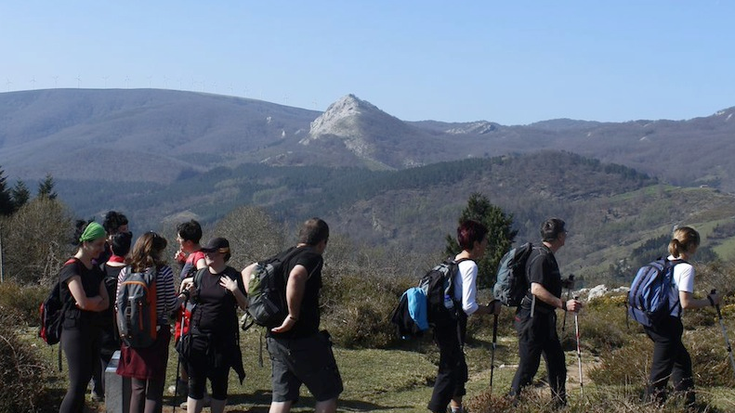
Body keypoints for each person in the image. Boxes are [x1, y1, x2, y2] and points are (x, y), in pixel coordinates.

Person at [242, 218, 343, 413]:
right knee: (327, 393)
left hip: (275, 339)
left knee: (282, 398)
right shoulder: (312, 257)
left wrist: (256, 306)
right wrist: (293, 315)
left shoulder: (283, 255)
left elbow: (247, 271)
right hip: (303, 338)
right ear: (323, 242)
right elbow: (297, 276)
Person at [428, 220, 502, 413]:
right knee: (450, 369)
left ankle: (456, 408)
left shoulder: (453, 261)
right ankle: (438, 409)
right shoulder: (470, 266)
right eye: (485, 240)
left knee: (457, 366)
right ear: (476, 244)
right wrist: (489, 309)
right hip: (453, 325)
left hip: (441, 323)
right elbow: (468, 306)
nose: (487, 244)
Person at [509, 218, 582, 407]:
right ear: (558, 236)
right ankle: (512, 405)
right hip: (532, 320)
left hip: (542, 319)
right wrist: (563, 304)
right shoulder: (542, 257)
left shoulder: (544, 255)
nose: (566, 234)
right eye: (564, 232)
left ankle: (559, 403)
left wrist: (562, 283)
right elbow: (536, 289)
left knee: (557, 361)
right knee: (528, 367)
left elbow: (542, 282)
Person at [116, 232, 191, 413]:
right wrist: (185, 295)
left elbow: (117, 305)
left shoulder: (125, 272)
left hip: (131, 333)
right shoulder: (162, 272)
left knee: (137, 388)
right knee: (155, 388)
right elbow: (170, 305)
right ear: (157, 251)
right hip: (156, 332)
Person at [645, 226, 719, 406]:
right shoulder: (685, 268)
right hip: (668, 324)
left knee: (682, 362)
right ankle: (651, 406)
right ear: (692, 245)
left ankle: (688, 403)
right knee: (660, 371)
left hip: (651, 320)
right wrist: (710, 301)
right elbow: (686, 302)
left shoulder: (663, 263)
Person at [179, 237, 247, 413]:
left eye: (211, 252)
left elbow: (245, 305)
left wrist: (234, 289)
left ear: (223, 254)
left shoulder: (233, 276)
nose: (206, 254)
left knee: (219, 384)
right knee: (195, 384)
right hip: (198, 337)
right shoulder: (200, 275)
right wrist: (190, 292)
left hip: (222, 340)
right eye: (206, 251)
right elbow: (195, 301)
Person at [59, 221, 110, 413]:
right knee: (78, 383)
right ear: (85, 243)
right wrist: (95, 301)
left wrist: (93, 302)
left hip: (91, 329)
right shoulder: (72, 268)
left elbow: (105, 302)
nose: (101, 249)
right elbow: (83, 302)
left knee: (85, 378)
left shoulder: (94, 269)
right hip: (75, 330)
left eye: (103, 244)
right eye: (98, 244)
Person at [90, 231, 133, 401]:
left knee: (103, 359)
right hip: (124, 323)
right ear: (128, 249)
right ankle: (122, 394)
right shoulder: (131, 272)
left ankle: (100, 391)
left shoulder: (100, 270)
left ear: (110, 248)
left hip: (102, 322)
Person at [172, 219, 207, 399]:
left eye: (179, 238)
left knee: (189, 349)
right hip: (186, 311)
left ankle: (199, 392)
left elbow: (204, 274)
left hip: (191, 313)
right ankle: (186, 386)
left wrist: (191, 281)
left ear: (189, 242)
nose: (177, 240)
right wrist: (183, 263)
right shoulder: (193, 255)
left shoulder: (199, 256)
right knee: (185, 349)